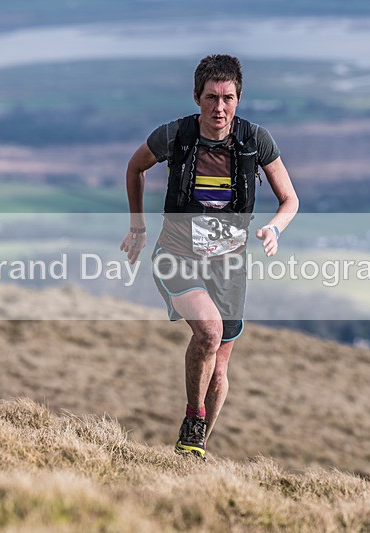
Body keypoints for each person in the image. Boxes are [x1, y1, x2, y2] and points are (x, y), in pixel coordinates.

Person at [121, 54, 298, 460]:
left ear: (239, 98)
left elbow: (290, 199)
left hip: (230, 267)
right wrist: (138, 227)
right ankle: (193, 417)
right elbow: (135, 168)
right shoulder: (175, 136)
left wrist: (273, 228)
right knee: (209, 331)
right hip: (176, 256)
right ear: (196, 97)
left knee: (219, 368)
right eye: (212, 98)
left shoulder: (256, 141)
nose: (220, 108)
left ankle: (193, 449)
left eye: (228, 98)